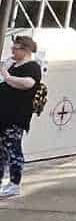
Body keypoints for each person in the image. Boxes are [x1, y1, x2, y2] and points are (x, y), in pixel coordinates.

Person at [0, 35, 43, 199]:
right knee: (1, 150)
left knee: (13, 149)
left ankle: (14, 183)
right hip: (4, 115)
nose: (12, 52)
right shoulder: (13, 64)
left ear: (25, 50)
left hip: (16, 116)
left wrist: (7, 76)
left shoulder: (32, 67)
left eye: (15, 49)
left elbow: (28, 84)